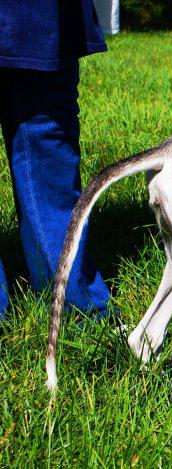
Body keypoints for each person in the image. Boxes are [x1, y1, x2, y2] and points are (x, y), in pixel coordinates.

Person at [0, 0, 120, 321]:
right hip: (42, 19)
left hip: (42, 20)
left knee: (47, 149)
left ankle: (74, 306)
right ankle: (75, 306)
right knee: (47, 150)